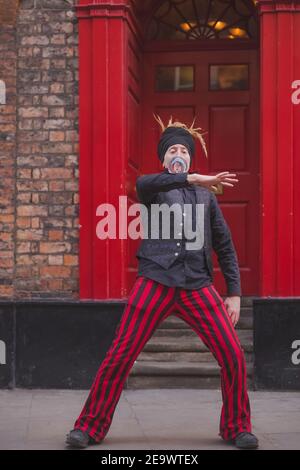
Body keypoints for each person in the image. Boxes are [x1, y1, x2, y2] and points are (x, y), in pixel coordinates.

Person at [66, 115, 259, 450]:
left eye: (184, 149)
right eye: (172, 151)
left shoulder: (207, 199)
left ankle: (236, 427)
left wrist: (235, 294)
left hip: (197, 286)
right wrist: (195, 177)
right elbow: (144, 184)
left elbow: (225, 247)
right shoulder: (153, 189)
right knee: (120, 355)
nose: (178, 154)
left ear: (191, 156)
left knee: (232, 354)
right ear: (164, 159)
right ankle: (88, 427)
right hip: (155, 281)